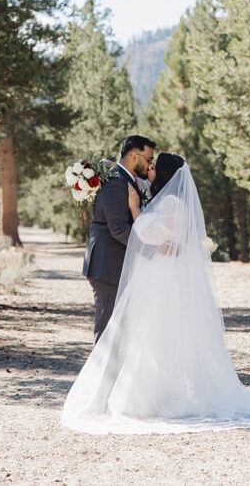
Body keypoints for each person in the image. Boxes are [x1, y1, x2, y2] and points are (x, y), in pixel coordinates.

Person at [63, 153, 250, 434]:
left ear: (164, 174)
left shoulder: (174, 204)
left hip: (162, 283)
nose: (149, 169)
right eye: (149, 164)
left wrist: (135, 209)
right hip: (158, 279)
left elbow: (148, 233)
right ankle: (152, 392)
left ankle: (150, 397)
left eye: (153, 166)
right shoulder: (169, 201)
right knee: (152, 337)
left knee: (155, 335)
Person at [82, 135, 156, 343]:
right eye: (148, 159)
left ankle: (112, 375)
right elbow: (119, 229)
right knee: (107, 330)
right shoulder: (116, 182)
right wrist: (152, 250)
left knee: (119, 330)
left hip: (115, 264)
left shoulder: (125, 180)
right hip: (107, 266)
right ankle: (100, 376)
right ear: (134, 156)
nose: (150, 164)